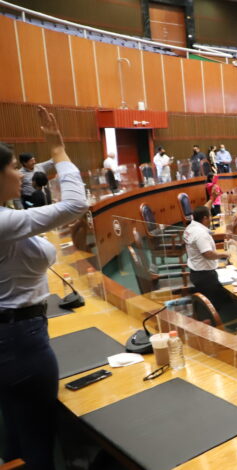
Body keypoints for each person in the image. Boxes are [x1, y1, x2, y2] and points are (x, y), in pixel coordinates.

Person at [0, 106, 89, 470]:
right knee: (39, 437)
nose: (22, 173)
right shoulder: (5, 221)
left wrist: (54, 155)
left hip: (12, 335)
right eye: (13, 168)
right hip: (21, 339)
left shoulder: (8, 214)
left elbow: (35, 176)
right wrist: (57, 149)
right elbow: (75, 204)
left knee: (18, 427)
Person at [183, 205, 237, 325]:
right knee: (223, 303)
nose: (210, 220)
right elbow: (207, 254)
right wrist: (224, 254)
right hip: (205, 277)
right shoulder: (200, 234)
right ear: (204, 218)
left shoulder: (190, 228)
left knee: (218, 300)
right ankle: (224, 324)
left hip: (197, 272)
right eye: (209, 217)